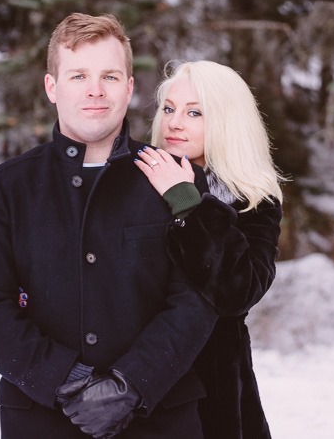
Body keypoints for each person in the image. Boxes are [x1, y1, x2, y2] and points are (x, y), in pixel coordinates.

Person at [0, 14, 218, 439]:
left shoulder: (175, 177)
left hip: (160, 416)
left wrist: (131, 384)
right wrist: (69, 381)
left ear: (130, 88)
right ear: (52, 87)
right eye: (78, 75)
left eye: (110, 76)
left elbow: (198, 296)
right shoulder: (9, 186)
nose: (95, 90)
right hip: (41, 417)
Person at [133, 60, 285, 439]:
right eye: (168, 109)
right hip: (133, 381)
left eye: (194, 112)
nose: (174, 123)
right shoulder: (134, 181)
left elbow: (239, 291)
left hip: (210, 389)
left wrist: (187, 203)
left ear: (227, 120)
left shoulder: (253, 199)